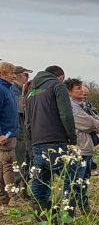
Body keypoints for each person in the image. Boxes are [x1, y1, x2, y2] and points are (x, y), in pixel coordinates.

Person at [25, 64, 77, 212]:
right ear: (60, 77)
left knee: (40, 179)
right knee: (71, 177)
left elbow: (27, 122)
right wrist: (72, 139)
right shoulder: (57, 86)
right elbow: (66, 115)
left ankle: (40, 212)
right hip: (56, 141)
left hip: (37, 142)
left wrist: (31, 143)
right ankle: (67, 214)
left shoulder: (31, 91)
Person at [67, 78, 99, 212]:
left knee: (85, 180)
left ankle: (84, 206)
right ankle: (71, 209)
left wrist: (94, 123)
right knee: (76, 180)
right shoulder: (70, 107)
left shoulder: (84, 105)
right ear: (69, 92)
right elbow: (88, 123)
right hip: (79, 148)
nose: (82, 91)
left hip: (87, 147)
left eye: (81, 87)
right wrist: (94, 123)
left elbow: (98, 121)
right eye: (78, 88)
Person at [0, 61, 20, 206]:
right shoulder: (1, 89)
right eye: (11, 73)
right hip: (5, 135)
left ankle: (3, 196)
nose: (14, 76)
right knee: (8, 164)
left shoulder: (9, 89)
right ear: (2, 74)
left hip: (11, 133)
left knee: (3, 164)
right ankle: (12, 197)